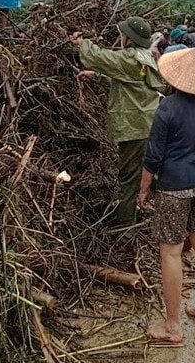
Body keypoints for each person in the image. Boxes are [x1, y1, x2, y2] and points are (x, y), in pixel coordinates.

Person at [139, 47, 195, 346]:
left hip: (174, 186)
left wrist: (144, 188)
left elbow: (153, 156)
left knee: (171, 251)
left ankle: (172, 326)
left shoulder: (168, 107)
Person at [71, 17, 167, 226]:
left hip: (135, 128)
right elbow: (132, 84)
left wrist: (82, 43)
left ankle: (126, 231)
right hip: (146, 123)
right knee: (148, 173)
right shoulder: (145, 57)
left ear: (130, 39)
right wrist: (96, 76)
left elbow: (100, 57)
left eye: (124, 35)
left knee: (129, 180)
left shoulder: (131, 58)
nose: (121, 38)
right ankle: (160, 213)